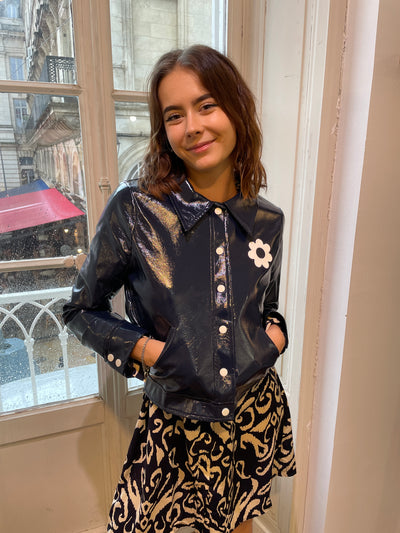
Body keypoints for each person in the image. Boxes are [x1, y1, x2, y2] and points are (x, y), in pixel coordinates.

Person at [63, 44, 296, 533]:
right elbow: (80, 309)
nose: (192, 126)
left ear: (236, 109)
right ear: (163, 129)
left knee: (240, 522)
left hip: (253, 409)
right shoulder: (135, 210)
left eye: (207, 105)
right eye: (174, 115)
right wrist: (151, 351)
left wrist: (275, 338)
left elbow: (265, 305)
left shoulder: (267, 220)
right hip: (175, 420)